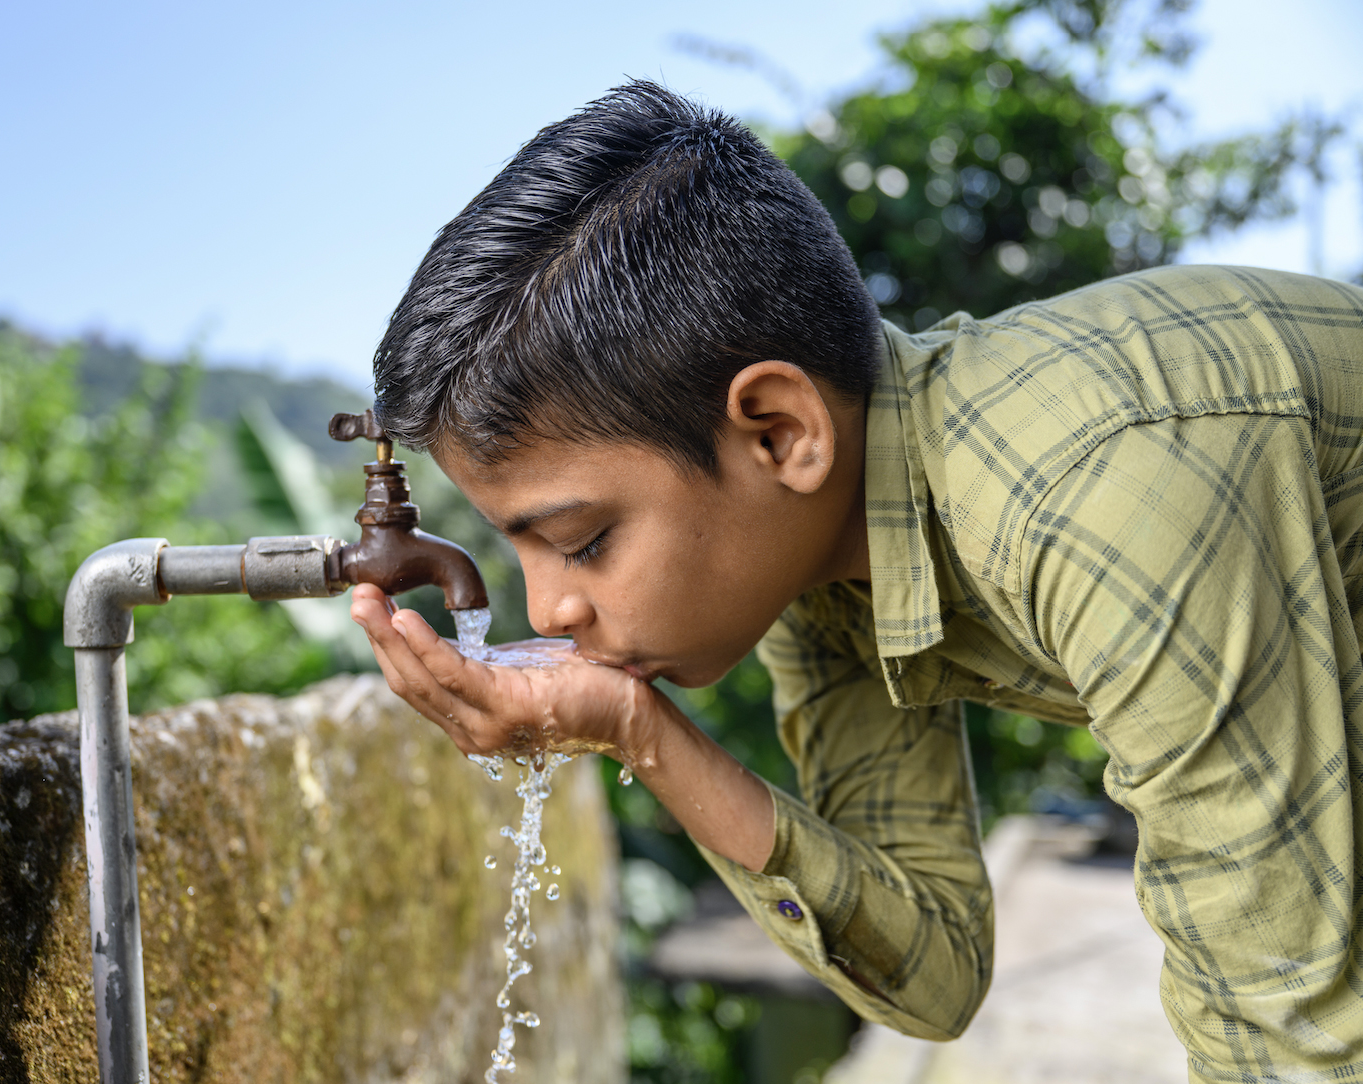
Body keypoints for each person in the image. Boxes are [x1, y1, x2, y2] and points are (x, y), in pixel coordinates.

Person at [347, 80, 1363, 1081]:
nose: (549, 610)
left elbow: (1285, 1029)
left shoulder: (1090, 485)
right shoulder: (819, 563)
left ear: (779, 433)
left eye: (581, 539)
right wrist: (635, 728)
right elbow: (932, 974)